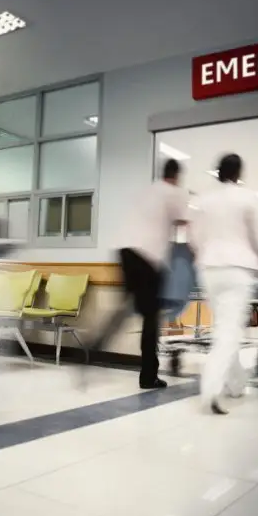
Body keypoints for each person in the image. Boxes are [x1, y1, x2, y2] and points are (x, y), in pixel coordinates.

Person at [82, 158, 189, 389]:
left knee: (126, 307)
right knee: (151, 317)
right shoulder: (175, 192)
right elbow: (184, 223)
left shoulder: (148, 191)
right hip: (147, 257)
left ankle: (95, 344)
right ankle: (148, 376)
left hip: (124, 251)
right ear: (176, 176)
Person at [189, 154, 258, 415]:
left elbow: (193, 236)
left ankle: (235, 384)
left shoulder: (204, 200)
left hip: (209, 269)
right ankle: (210, 390)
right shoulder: (248, 198)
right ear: (238, 172)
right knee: (229, 333)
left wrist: (204, 255)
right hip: (238, 269)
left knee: (223, 329)